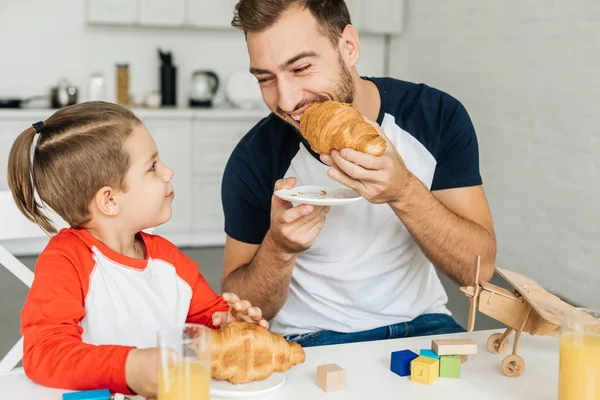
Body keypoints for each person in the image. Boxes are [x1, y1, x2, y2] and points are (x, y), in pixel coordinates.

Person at [220, 0, 497, 347]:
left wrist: (404, 191)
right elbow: (240, 306)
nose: (287, 102)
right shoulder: (255, 157)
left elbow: (478, 270)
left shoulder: (436, 117)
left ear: (348, 46)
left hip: (427, 323)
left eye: (301, 68)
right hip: (314, 336)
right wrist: (278, 248)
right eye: (265, 79)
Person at [7, 102, 268, 397]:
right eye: (152, 166)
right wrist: (128, 367)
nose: (168, 172)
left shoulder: (167, 259)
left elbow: (209, 315)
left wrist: (230, 323)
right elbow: (44, 353)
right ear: (110, 201)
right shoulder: (66, 261)